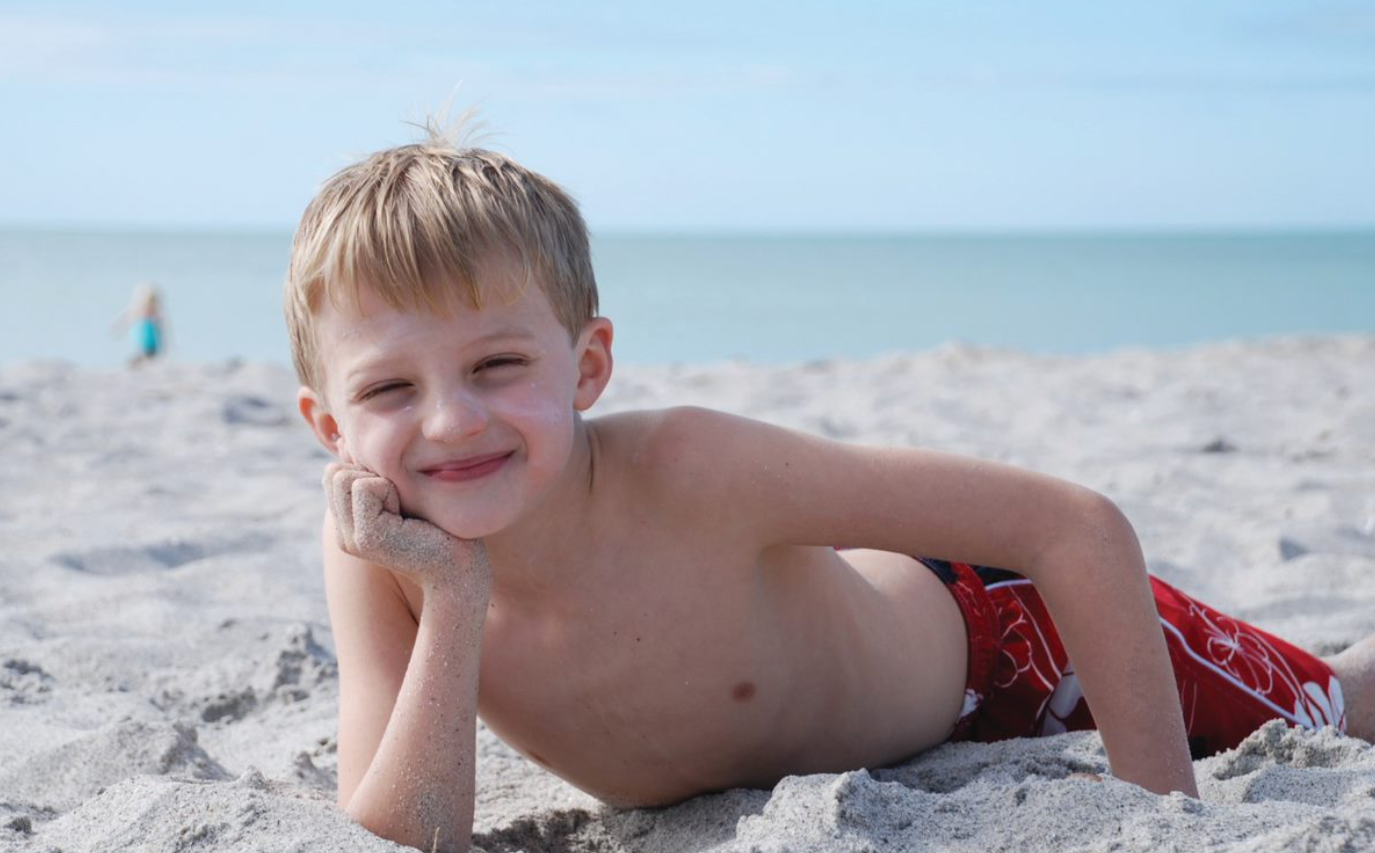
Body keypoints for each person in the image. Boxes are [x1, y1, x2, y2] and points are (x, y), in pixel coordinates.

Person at [284, 131, 1372, 853]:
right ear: (329, 428)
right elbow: (402, 832)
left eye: (497, 366)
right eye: (388, 387)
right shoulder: (383, 555)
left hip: (1013, 642)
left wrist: (1161, 822)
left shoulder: (687, 469)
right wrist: (455, 598)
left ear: (586, 367)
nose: (450, 421)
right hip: (905, 745)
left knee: (1343, 706)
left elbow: (1071, 525)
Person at [114, 281, 165, 365]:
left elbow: (161, 326)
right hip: (142, 335)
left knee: (150, 352)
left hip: (151, 338)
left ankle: (141, 360)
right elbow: (128, 315)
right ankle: (139, 360)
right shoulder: (139, 309)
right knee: (145, 351)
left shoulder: (155, 311)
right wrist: (119, 328)